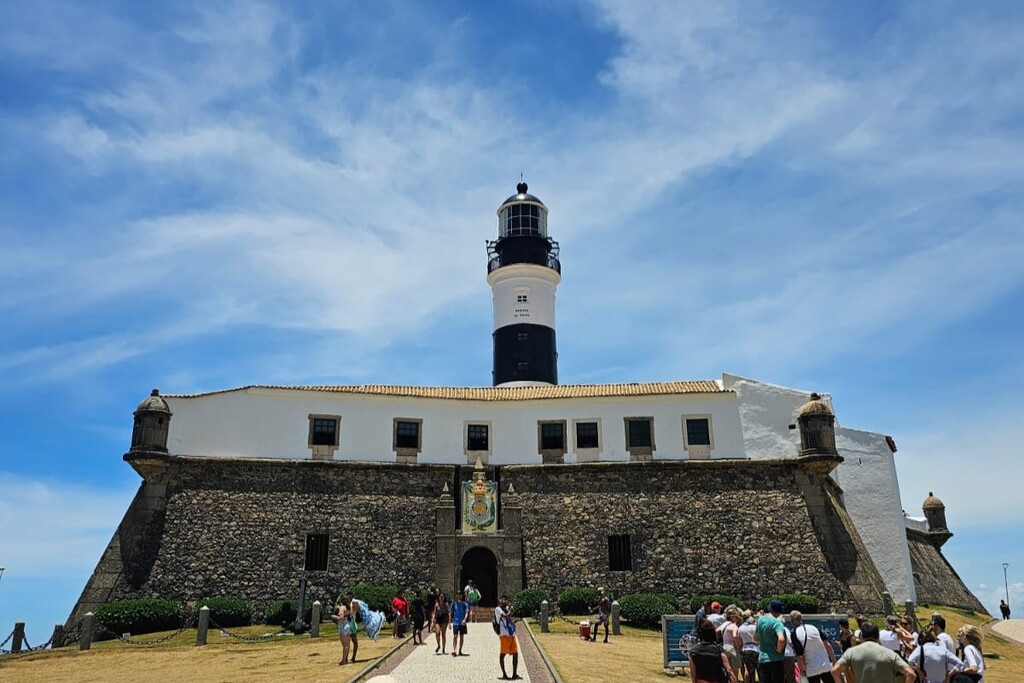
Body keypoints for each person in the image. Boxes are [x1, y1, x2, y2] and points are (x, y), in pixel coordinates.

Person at [832, 621, 916, 683]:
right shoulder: (889, 653)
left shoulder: (850, 652)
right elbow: (911, 674)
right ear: (878, 636)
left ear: (862, 636)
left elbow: (835, 671)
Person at [790, 611, 837, 683]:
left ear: (792, 621)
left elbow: (800, 656)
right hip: (825, 665)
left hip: (811, 669)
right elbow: (828, 645)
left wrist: (802, 672)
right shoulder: (814, 628)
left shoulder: (795, 634)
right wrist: (834, 661)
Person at [754, 599, 788, 683]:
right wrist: (779, 650)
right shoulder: (777, 623)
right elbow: (781, 639)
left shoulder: (760, 620)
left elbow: (756, 638)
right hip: (775, 659)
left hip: (762, 658)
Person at [496, 594, 521, 680]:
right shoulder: (498, 609)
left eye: (506, 600)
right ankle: (504, 674)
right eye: (503, 599)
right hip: (504, 634)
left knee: (515, 653)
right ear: (500, 600)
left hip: (511, 633)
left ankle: (514, 674)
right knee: (502, 654)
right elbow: (505, 616)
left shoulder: (507, 608)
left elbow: (509, 618)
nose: (504, 601)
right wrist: (510, 610)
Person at [719, 605, 743, 681]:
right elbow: (735, 635)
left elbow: (716, 631)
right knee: (735, 669)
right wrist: (738, 644)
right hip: (732, 647)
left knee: (728, 669)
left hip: (724, 646)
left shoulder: (724, 624)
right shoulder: (734, 626)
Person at [330, 596, 354, 665]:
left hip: (343, 625)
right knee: (347, 643)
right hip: (348, 624)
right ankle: (346, 658)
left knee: (344, 644)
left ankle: (343, 660)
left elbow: (341, 617)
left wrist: (334, 617)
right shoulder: (349, 608)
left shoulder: (342, 608)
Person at [738, 610, 760, 683]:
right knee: (759, 670)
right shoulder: (754, 627)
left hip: (745, 649)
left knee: (750, 671)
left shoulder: (740, 628)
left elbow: (740, 641)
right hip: (755, 649)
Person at [451, 590, 469, 656]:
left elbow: (467, 612)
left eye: (460, 595)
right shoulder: (453, 604)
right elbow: (451, 613)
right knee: (455, 636)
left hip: (462, 623)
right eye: (457, 595)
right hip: (455, 623)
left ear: (462, 596)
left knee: (461, 637)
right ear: (456, 596)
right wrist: (449, 622)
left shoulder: (465, 604)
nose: (459, 596)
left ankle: (460, 650)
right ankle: (454, 650)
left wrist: (465, 619)